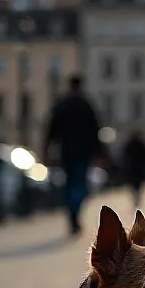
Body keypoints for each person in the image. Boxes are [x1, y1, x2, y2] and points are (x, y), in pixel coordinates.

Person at [43, 74, 100, 236]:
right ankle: (76, 213)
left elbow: (51, 130)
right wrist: (100, 152)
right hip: (83, 151)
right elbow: (95, 130)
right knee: (80, 184)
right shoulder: (86, 105)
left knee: (70, 185)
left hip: (67, 151)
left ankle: (72, 216)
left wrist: (47, 149)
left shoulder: (62, 105)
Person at [121, 129, 145, 211]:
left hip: (135, 169)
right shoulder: (139, 145)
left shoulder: (131, 145)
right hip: (136, 169)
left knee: (136, 186)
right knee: (137, 186)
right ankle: (136, 199)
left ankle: (136, 199)